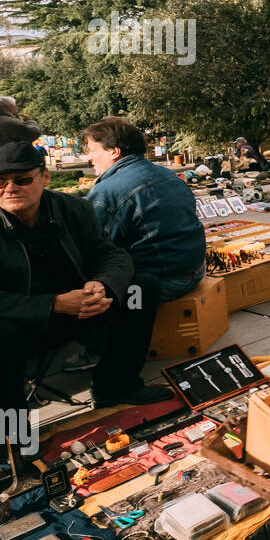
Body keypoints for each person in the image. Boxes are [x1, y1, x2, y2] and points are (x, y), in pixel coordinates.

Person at [0, 141, 178, 415]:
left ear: (45, 177)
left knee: (140, 291)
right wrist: (53, 304)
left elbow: (111, 254)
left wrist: (103, 284)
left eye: (22, 180)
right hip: (10, 319)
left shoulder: (73, 208)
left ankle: (117, 385)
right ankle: (11, 434)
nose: (10, 189)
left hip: (76, 309)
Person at [81, 116, 207, 378]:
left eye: (92, 151)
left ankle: (97, 349)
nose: (89, 158)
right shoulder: (167, 174)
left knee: (83, 281)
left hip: (161, 282)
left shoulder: (110, 190)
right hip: (194, 269)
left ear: (114, 152)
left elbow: (97, 249)